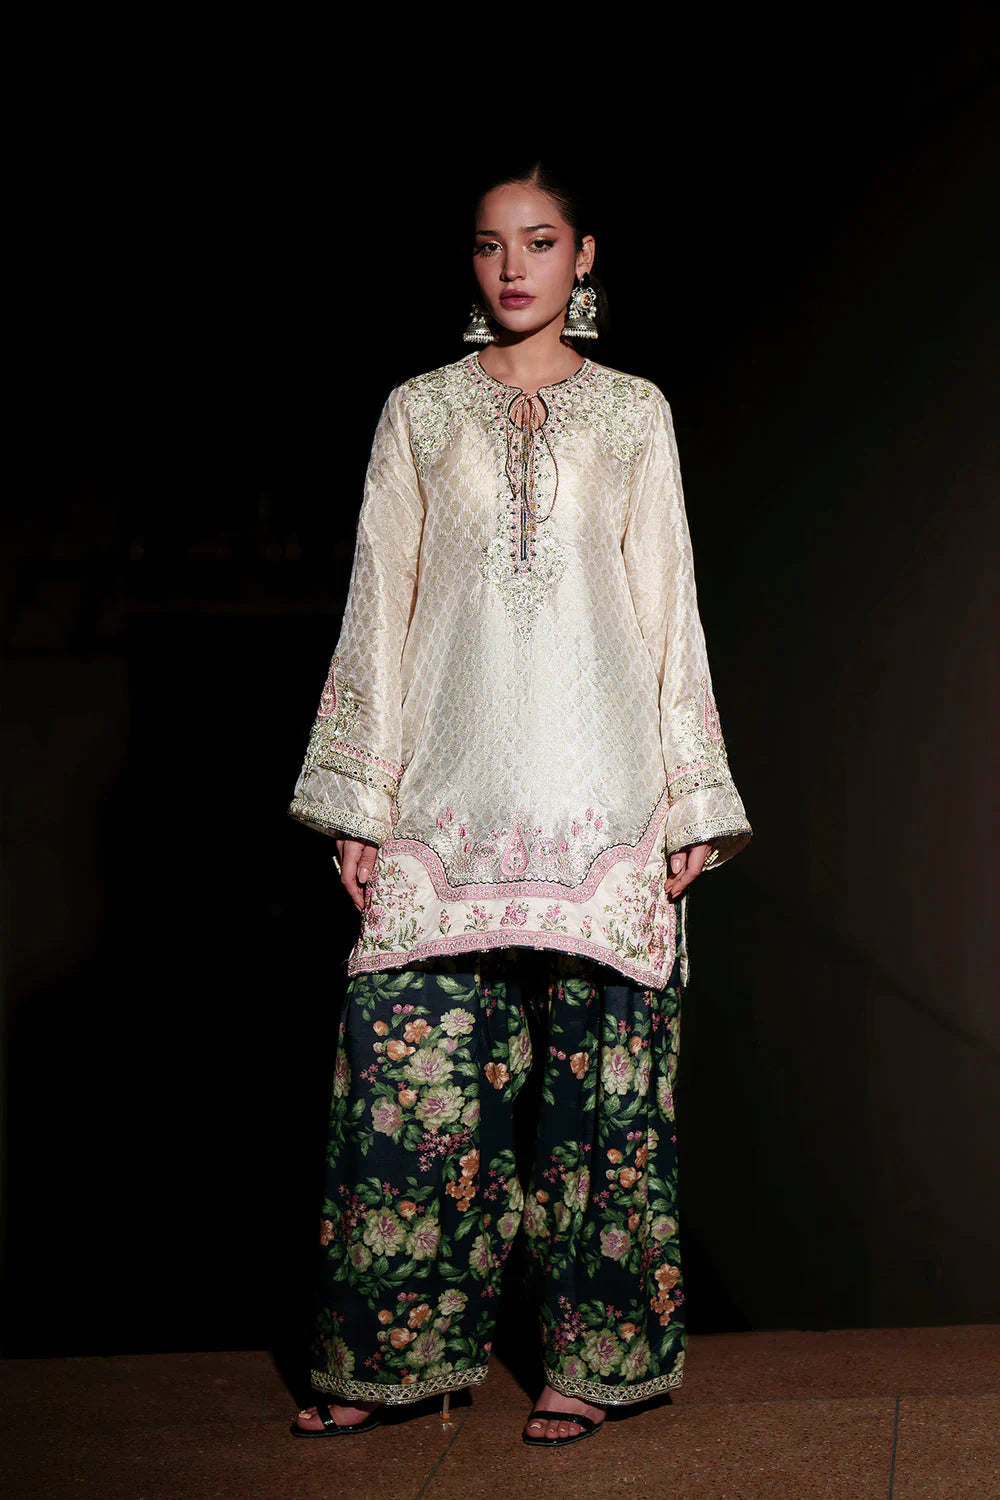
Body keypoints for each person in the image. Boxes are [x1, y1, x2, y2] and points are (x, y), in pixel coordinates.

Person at [287, 161, 751, 1448]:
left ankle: (595, 1363)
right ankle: (390, 1360)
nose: (512, 268)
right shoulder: (420, 412)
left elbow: (667, 605)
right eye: (491, 245)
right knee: (412, 1094)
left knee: (606, 1110)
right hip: (444, 807)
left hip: (605, 806)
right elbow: (379, 600)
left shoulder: (634, 414)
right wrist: (359, 801)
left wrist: (690, 799)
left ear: (583, 256)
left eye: (539, 242)